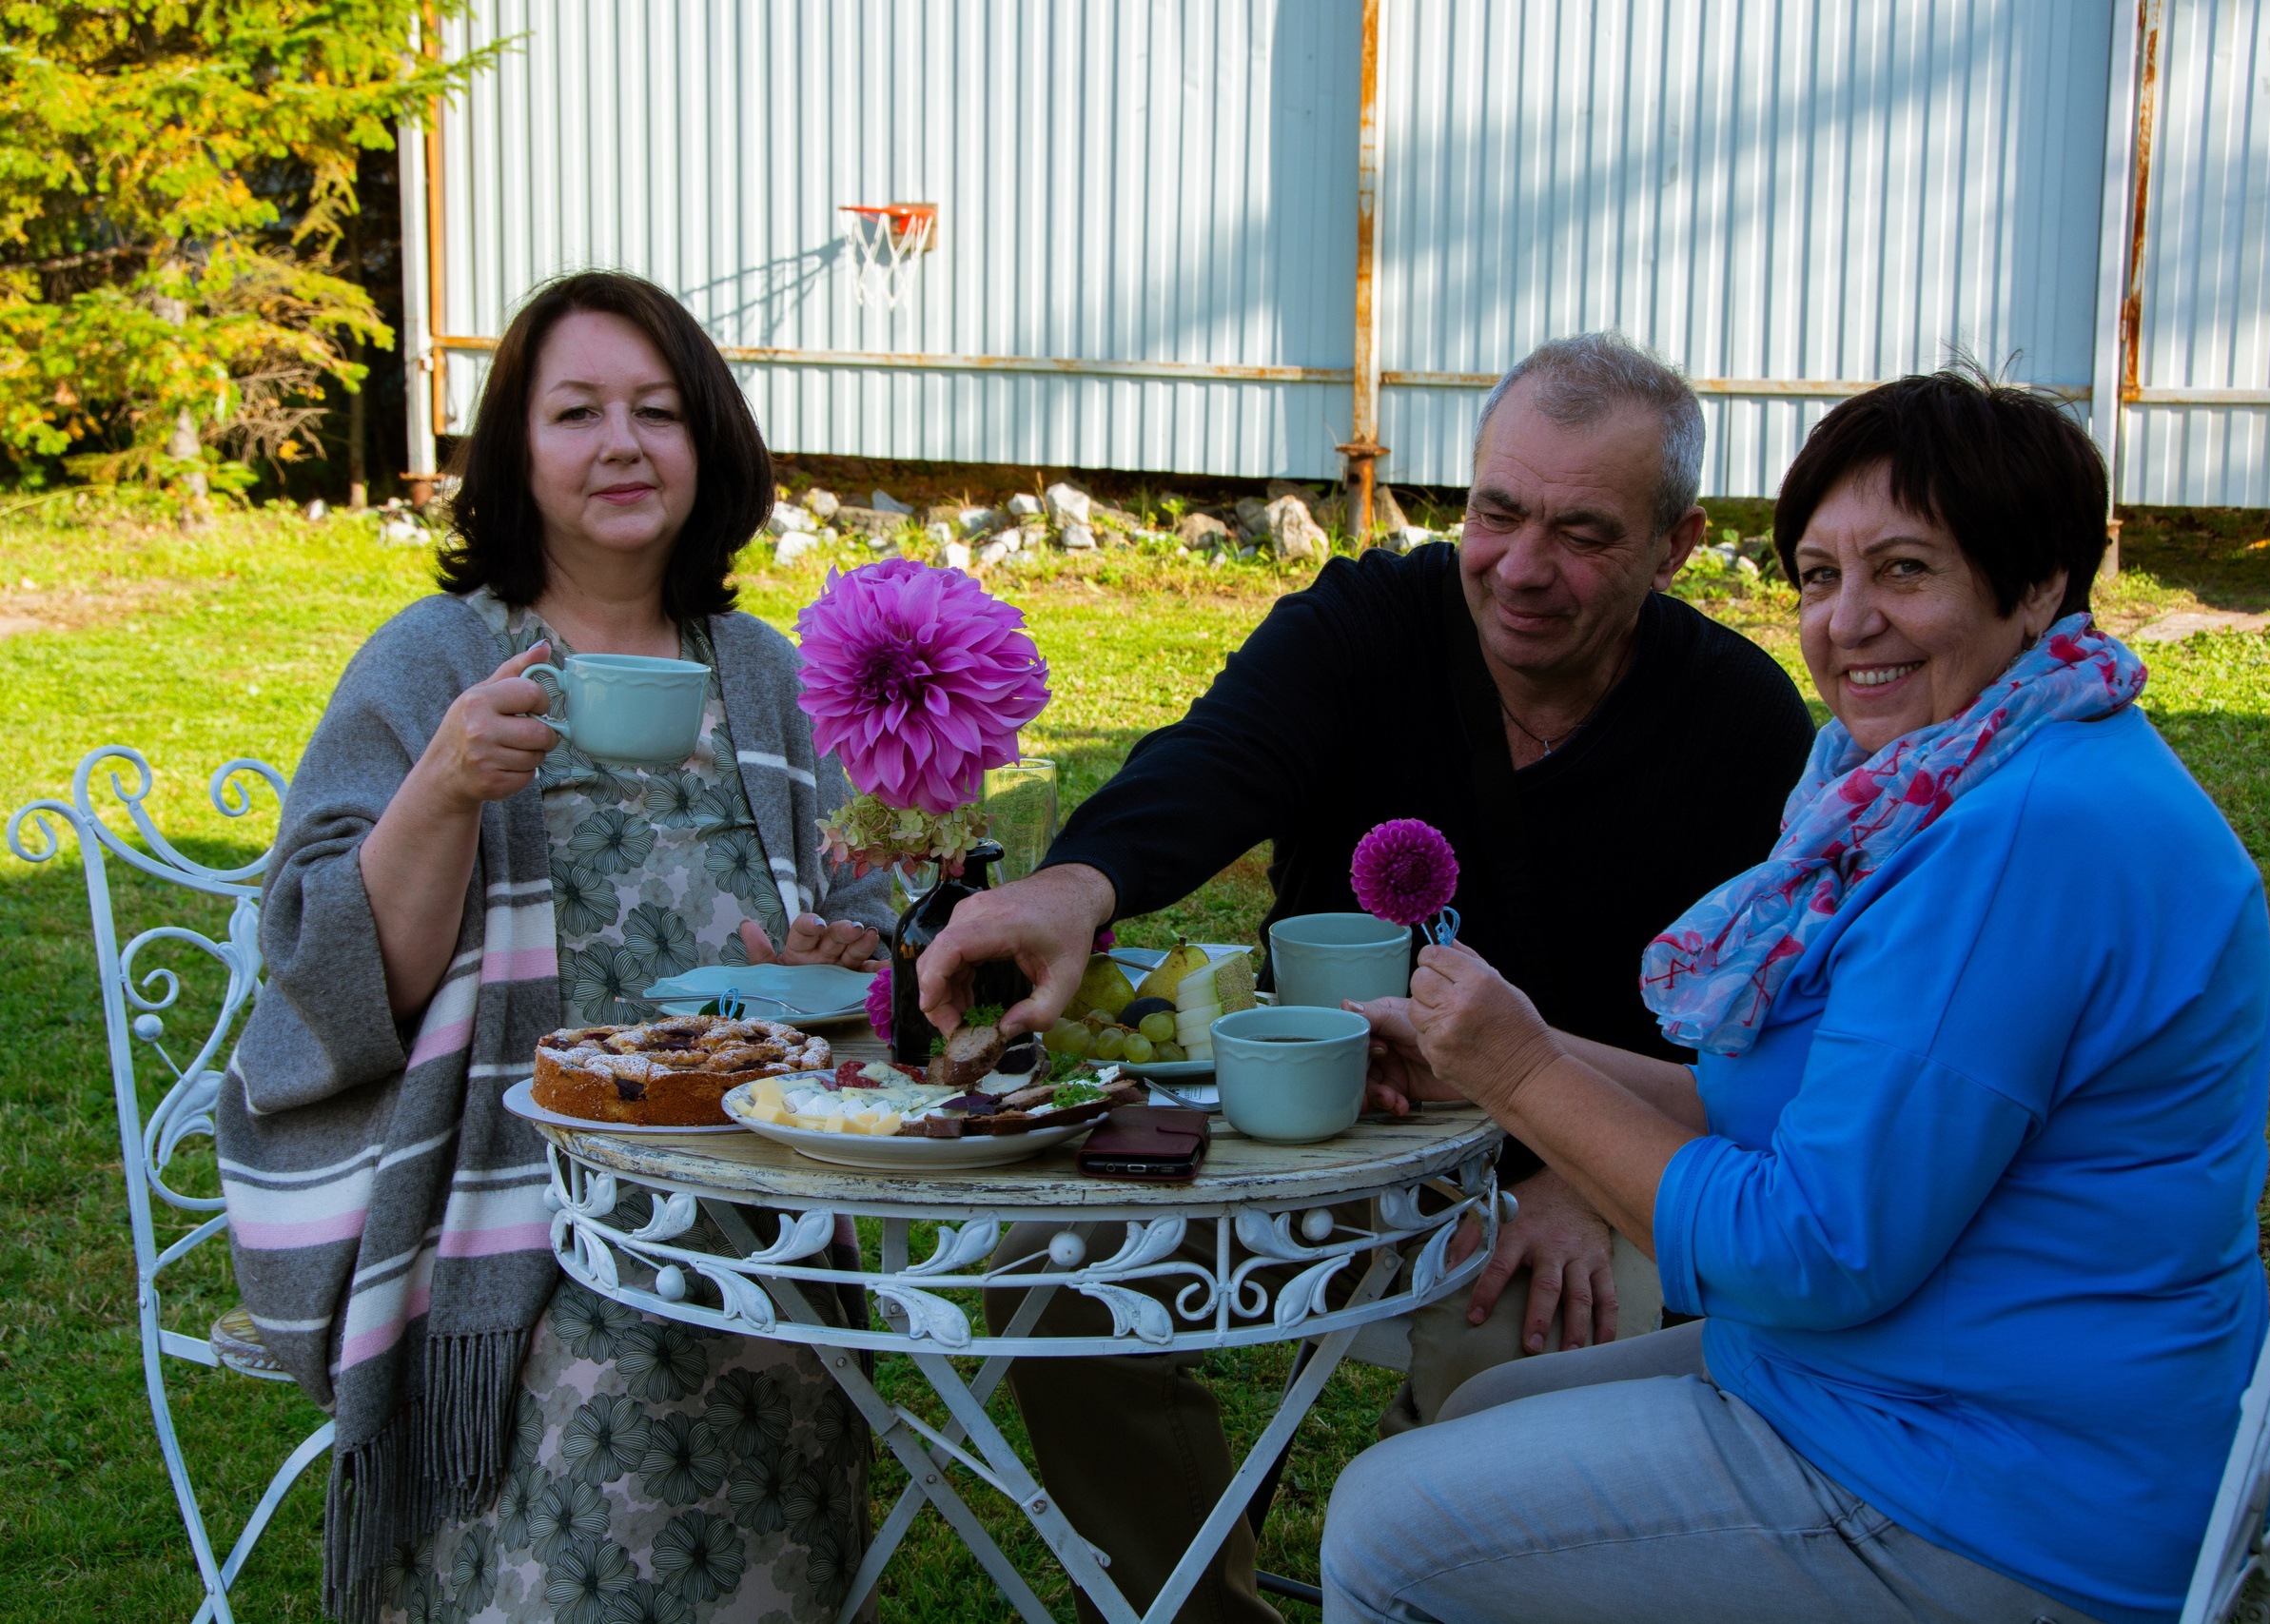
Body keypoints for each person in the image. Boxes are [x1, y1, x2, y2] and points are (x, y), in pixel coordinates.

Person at [1321, 369, 2270, 1624]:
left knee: (1389, 1528)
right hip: (1959, 1387)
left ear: (2038, 584)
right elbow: (1810, 1118)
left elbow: (1813, 1254)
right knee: (1488, 1409)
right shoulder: (1973, 776)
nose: (1848, 622)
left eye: (1905, 571)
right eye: (1820, 578)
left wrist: (1521, 1077)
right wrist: (1516, 1053)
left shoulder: (2023, 839)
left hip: (1992, 1490)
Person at [919, 334, 1815, 1623]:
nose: (1522, 566)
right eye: (1497, 512)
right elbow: (1216, 758)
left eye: (1584, 532)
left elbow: (1757, 1052)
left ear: (1677, 546)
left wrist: (1585, 1174)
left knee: (1538, 1331)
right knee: (1052, 1273)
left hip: (1578, 1151)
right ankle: (1193, 1609)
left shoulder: (1739, 726)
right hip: (1314, 1124)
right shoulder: (1363, 626)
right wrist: (1078, 884)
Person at [216, 270, 890, 1624]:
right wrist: (444, 789)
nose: (623, 444)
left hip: (748, 1183)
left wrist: (835, 956)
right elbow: (341, 984)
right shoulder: (434, 665)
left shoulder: (763, 671)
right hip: (515, 1200)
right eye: (576, 412)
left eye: (657, 410)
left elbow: (870, 934)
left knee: (760, 1324)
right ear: (518, 456)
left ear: (709, 440)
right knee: (623, 1348)